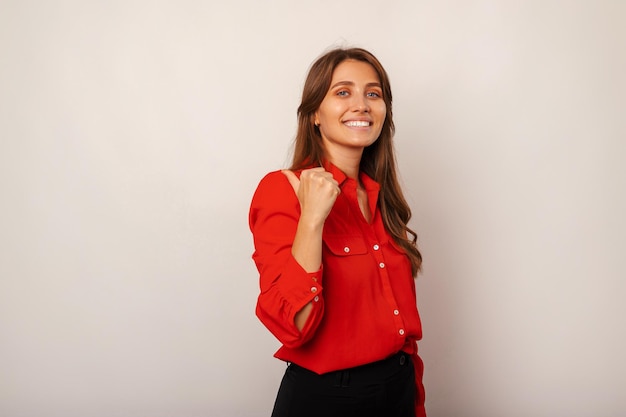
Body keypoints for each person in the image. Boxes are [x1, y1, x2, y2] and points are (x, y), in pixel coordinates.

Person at [249, 47, 426, 417]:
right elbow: (293, 326)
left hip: (398, 386)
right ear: (315, 112)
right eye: (343, 92)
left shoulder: (382, 198)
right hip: (329, 399)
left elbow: (402, 332)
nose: (361, 104)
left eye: (373, 93)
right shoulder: (284, 190)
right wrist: (313, 218)